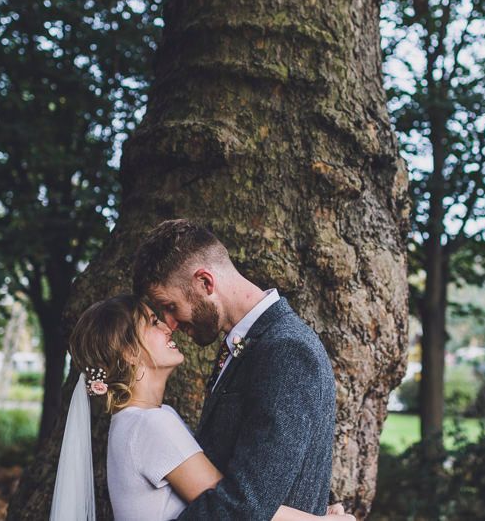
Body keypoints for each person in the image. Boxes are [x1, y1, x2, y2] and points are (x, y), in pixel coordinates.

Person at [49, 293, 353, 521]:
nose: (169, 327)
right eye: (154, 323)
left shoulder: (138, 421)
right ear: (130, 353)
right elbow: (236, 506)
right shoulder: (149, 426)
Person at [132, 219, 338, 520]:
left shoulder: (286, 349)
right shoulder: (246, 343)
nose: (171, 324)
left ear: (205, 282)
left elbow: (246, 506)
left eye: (171, 306)